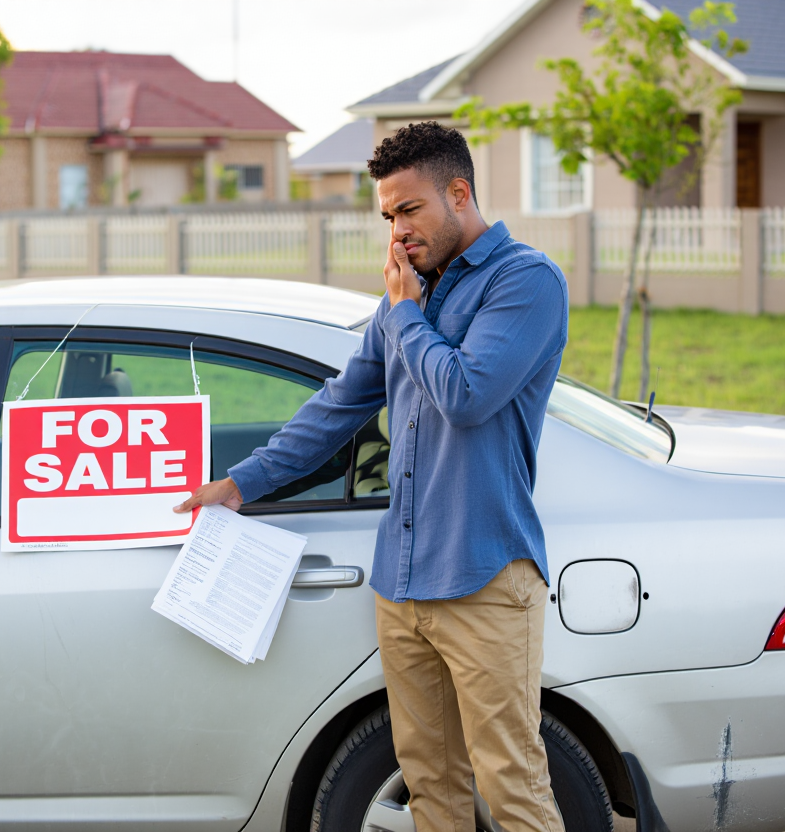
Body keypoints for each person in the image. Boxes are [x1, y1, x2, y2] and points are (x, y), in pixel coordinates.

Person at [175, 121, 568, 832]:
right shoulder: (407, 296)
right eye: (387, 216)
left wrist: (407, 314)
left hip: (484, 577)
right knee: (429, 783)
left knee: (511, 781)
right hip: (403, 583)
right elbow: (340, 404)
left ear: (458, 193)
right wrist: (241, 483)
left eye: (409, 210)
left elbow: (467, 395)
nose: (397, 232)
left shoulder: (525, 281)